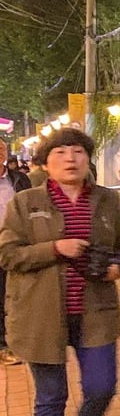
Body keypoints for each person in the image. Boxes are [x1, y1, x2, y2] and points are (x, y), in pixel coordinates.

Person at [0, 127, 120, 416]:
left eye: (77, 151)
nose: (70, 158)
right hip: (41, 314)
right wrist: (55, 248)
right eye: (60, 152)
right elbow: (8, 255)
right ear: (46, 162)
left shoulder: (107, 200)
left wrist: (117, 267)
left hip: (95, 311)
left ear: (88, 159)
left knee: (103, 386)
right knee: (51, 396)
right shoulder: (26, 202)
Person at [0, 142, 33, 365]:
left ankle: (17, 340)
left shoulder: (19, 179)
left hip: (14, 247)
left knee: (14, 296)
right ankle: (3, 345)